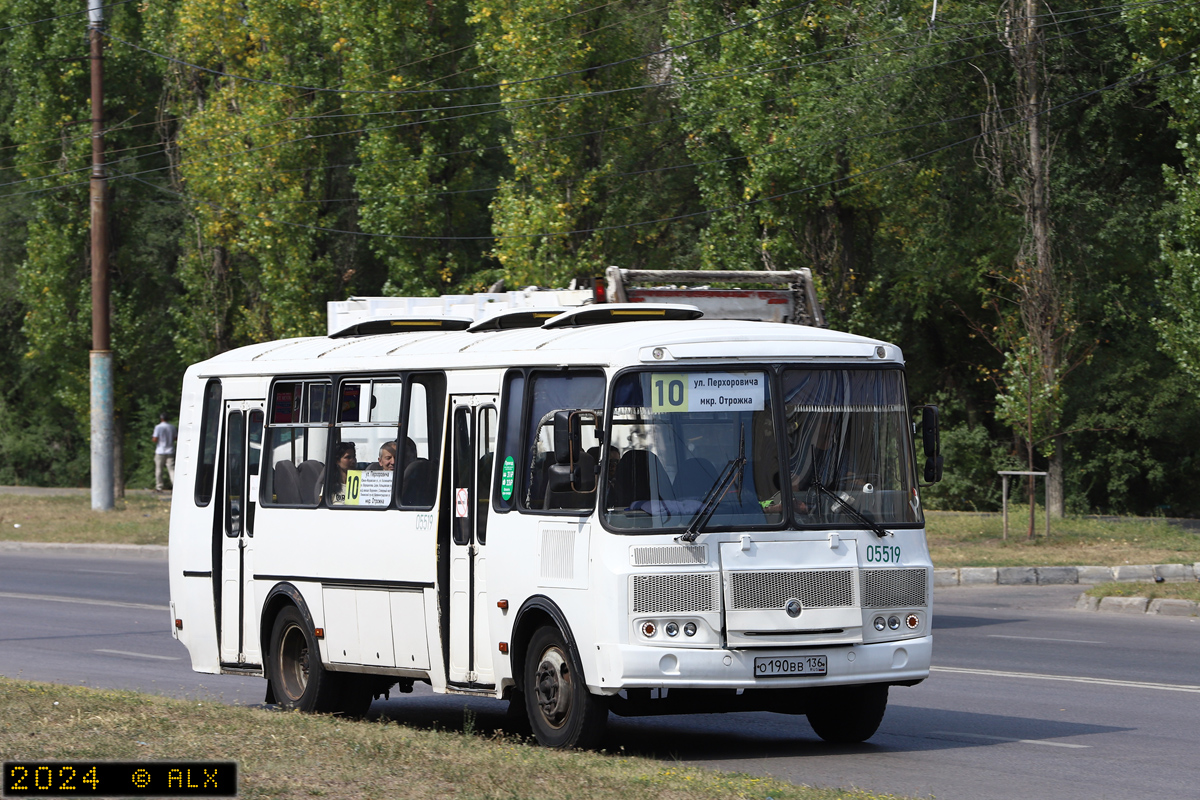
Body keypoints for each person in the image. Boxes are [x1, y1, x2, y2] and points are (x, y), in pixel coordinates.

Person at [152, 412, 177, 493]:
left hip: (160, 451)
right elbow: (175, 438)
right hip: (170, 450)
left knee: (159, 469)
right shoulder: (172, 427)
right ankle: (175, 485)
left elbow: (155, 439)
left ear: (161, 418)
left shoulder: (158, 427)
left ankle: (159, 487)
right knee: (171, 469)